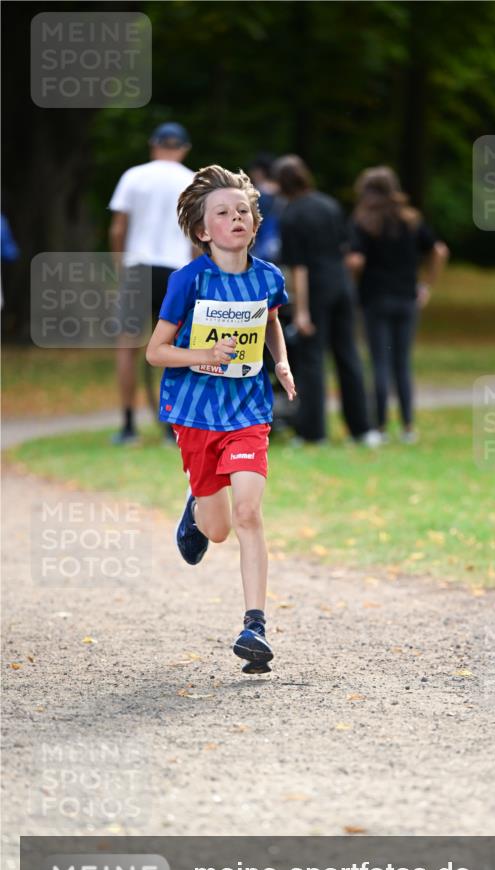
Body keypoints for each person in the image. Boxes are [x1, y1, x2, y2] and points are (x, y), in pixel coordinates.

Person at [145, 166, 296, 674]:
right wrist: (203, 354)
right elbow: (156, 352)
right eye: (223, 213)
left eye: (244, 212)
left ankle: (255, 625)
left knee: (249, 511)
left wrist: (281, 362)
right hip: (195, 413)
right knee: (218, 530)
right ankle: (195, 509)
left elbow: (271, 321)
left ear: (255, 223)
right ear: (203, 230)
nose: (236, 218)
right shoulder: (188, 280)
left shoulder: (269, 276)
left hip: (249, 412)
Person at [274, 155, 380, 446]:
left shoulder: (291, 215)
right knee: (348, 356)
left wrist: (302, 311)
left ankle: (312, 431)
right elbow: (347, 252)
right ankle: (363, 429)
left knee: (312, 359)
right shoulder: (329, 204)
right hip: (342, 286)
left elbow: (299, 267)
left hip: (317, 289)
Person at [347, 166, 449, 443]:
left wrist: (352, 280)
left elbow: (357, 260)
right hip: (407, 299)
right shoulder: (411, 219)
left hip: (374, 299)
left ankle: (378, 427)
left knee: (379, 362)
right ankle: (407, 427)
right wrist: (427, 284)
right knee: (402, 363)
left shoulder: (364, 222)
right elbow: (439, 250)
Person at [109, 122, 195, 444]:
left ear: (152, 144)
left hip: (138, 266)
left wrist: (120, 267)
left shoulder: (134, 176)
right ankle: (173, 426)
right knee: (174, 349)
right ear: (184, 148)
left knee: (127, 347)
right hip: (176, 271)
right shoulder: (192, 181)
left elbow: (118, 228)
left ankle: (128, 425)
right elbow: (196, 237)